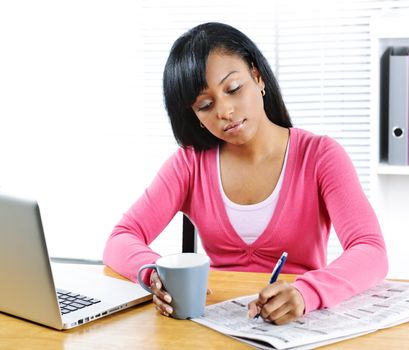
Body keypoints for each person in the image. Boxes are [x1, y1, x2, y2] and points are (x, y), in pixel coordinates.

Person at [103, 22, 388, 325]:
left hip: (298, 326)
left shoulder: (319, 156)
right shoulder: (190, 164)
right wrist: (154, 273)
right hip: (214, 326)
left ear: (257, 76)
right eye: (206, 105)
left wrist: (307, 293)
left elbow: (370, 250)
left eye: (233, 88)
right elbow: (120, 238)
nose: (224, 111)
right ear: (195, 117)